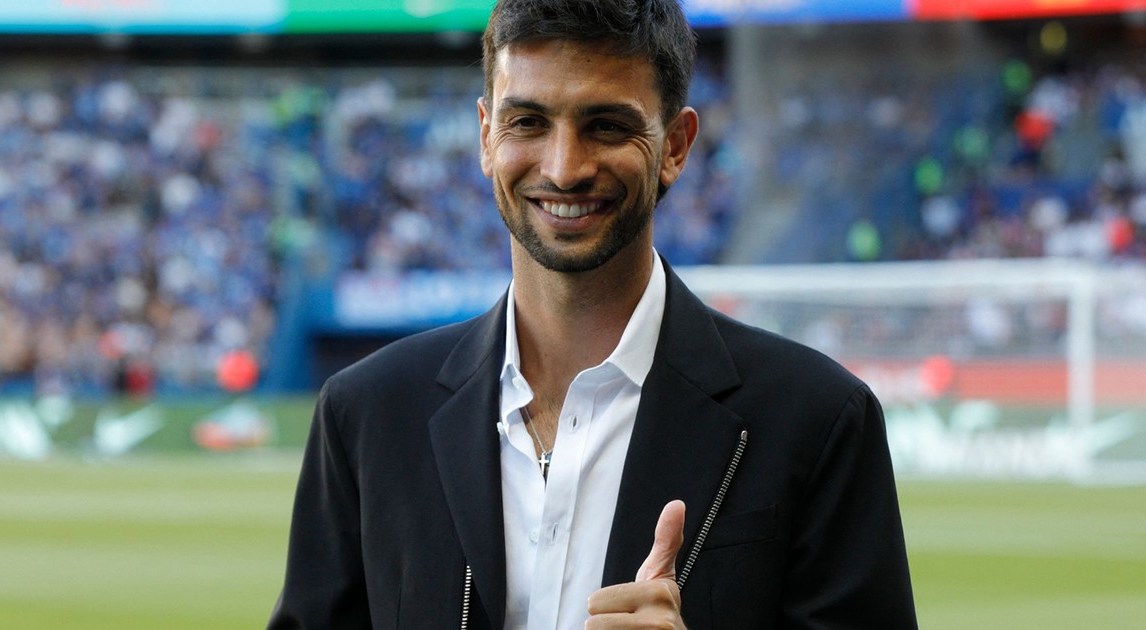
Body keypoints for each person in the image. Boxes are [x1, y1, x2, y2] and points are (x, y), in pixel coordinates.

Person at [268, 1, 918, 628]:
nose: (564, 169)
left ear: (675, 146)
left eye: (606, 126)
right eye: (528, 122)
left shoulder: (818, 420)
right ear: (486, 136)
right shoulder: (367, 415)